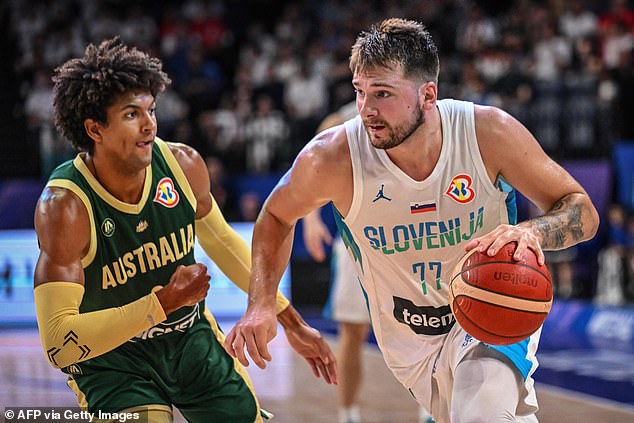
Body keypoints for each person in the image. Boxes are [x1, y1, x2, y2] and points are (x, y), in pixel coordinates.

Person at [225, 18, 599, 423]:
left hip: (491, 313)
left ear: (427, 95)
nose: (367, 110)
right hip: (409, 343)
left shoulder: (488, 133)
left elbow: (581, 209)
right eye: (359, 92)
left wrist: (531, 232)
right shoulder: (332, 157)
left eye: (382, 94)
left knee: (482, 412)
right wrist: (261, 303)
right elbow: (276, 215)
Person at [33, 37, 336, 423]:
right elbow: (59, 343)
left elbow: (224, 242)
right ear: (95, 128)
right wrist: (160, 304)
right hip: (111, 362)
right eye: (131, 114)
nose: (149, 125)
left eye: (151, 110)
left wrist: (290, 320)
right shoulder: (66, 208)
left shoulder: (182, 165)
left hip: (188, 339)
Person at [303, 102, 434, 423]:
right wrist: (311, 220)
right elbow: (310, 172)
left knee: (427, 328)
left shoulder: (416, 112)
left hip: (409, 237)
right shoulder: (338, 120)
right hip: (357, 241)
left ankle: (430, 409)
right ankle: (347, 414)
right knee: (352, 331)